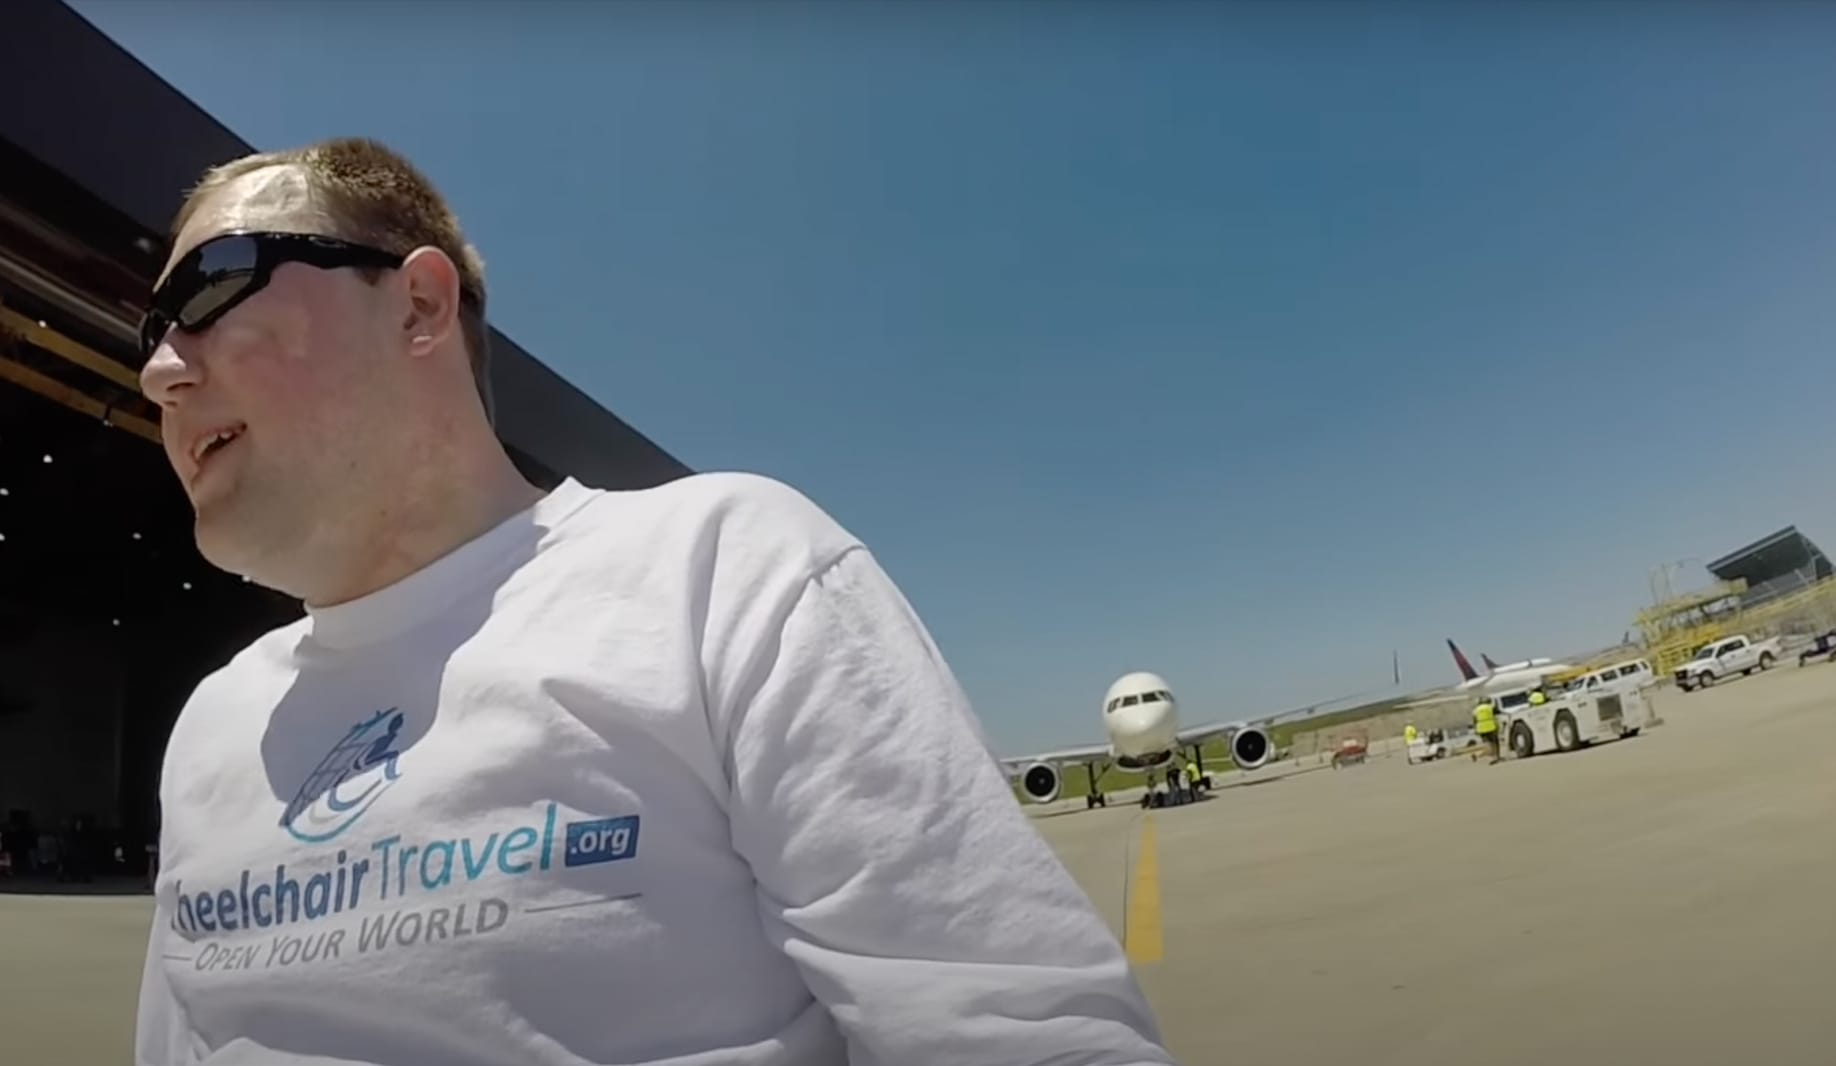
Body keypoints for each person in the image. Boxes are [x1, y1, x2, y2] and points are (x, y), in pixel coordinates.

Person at [131, 138, 1172, 1066]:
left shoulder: (717, 573)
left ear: (417, 306)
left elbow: (1021, 1032)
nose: (160, 370)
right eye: (149, 332)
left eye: (214, 289)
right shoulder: (213, 729)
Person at [1472, 700, 1501, 764]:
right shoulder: (1490, 707)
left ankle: (1494, 757)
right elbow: (1498, 712)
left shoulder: (1475, 710)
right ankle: (1494, 758)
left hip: (1481, 730)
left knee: (1488, 745)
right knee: (1494, 743)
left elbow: (1474, 721)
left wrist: (1475, 730)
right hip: (1490, 727)